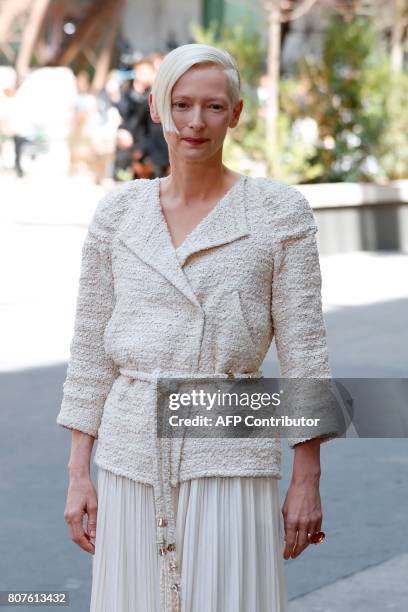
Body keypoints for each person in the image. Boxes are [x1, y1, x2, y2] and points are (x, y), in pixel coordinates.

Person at [56, 43, 340, 612]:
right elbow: (90, 350)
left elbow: (305, 351)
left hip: (231, 446)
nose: (195, 122)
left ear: (236, 114)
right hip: (129, 451)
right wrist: (78, 473)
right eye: (181, 104)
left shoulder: (278, 213)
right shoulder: (118, 214)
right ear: (157, 108)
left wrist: (307, 475)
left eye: (214, 107)